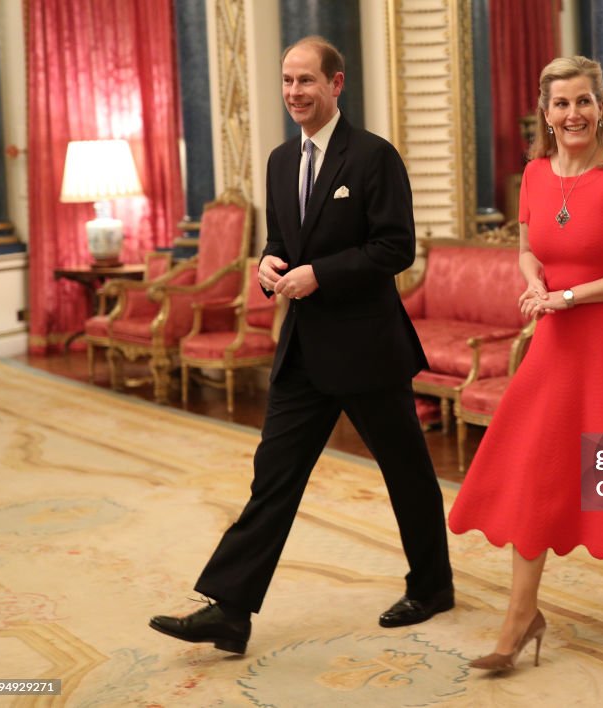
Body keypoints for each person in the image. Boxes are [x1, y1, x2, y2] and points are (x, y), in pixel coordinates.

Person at [149, 36, 454, 655]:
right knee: (274, 477)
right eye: (287, 82)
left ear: (336, 85)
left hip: (368, 349)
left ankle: (432, 586)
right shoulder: (278, 160)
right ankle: (230, 610)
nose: (294, 93)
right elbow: (281, 239)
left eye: (306, 81)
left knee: (407, 473)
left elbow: (396, 249)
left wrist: (321, 274)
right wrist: (268, 264)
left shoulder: (374, 157)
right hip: (303, 351)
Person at [447, 55, 603, 672]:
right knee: (537, 467)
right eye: (562, 103)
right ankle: (520, 618)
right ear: (546, 111)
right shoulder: (535, 174)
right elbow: (530, 249)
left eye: (584, 101)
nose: (573, 113)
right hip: (557, 342)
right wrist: (536, 283)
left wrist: (566, 295)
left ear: (600, 106)